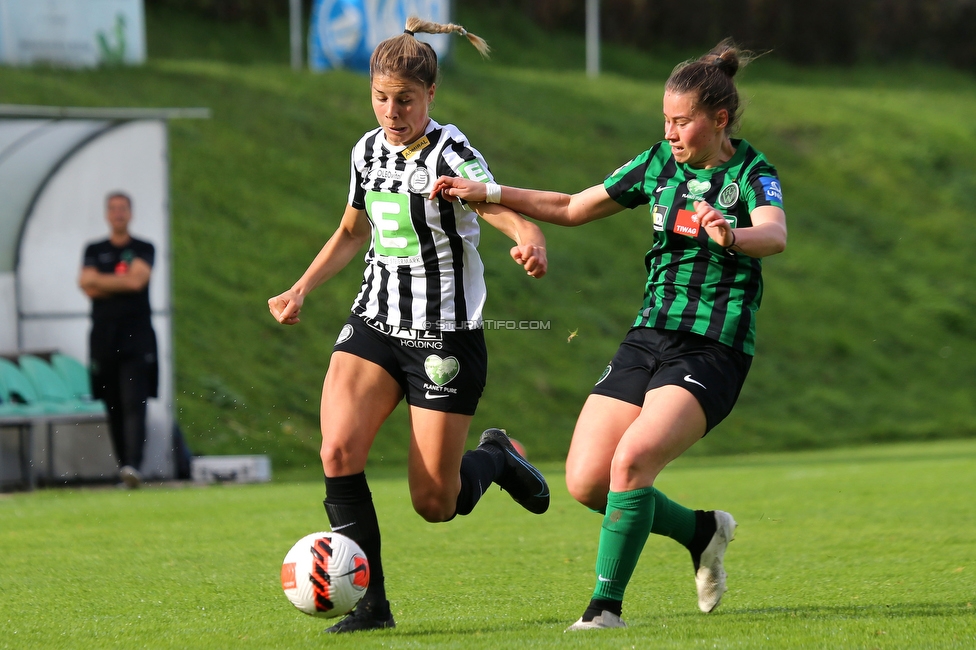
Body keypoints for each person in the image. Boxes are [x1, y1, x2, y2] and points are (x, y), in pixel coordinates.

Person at [432, 39, 787, 630]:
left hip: (713, 347)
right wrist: (488, 193)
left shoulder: (752, 173)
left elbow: (773, 235)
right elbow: (571, 206)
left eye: (682, 121)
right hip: (648, 336)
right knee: (589, 481)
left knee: (633, 463)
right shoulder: (656, 164)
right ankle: (702, 531)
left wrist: (731, 235)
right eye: (665, 120)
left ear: (718, 119)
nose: (670, 131)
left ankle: (605, 610)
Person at [268, 17, 551, 634]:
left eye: (405, 99)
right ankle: (371, 607)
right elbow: (352, 231)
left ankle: (497, 459)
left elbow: (502, 208)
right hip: (375, 321)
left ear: (430, 96)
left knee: (435, 503)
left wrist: (529, 238)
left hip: (443, 337)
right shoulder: (365, 152)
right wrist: (301, 287)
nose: (391, 111)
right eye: (380, 97)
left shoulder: (452, 153)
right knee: (337, 450)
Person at [79, 191, 159, 489]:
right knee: (111, 402)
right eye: (113, 209)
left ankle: (133, 465)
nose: (118, 213)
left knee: (133, 401)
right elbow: (84, 285)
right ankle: (123, 467)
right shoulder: (93, 248)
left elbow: (137, 280)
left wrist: (101, 281)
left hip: (136, 337)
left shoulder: (143, 248)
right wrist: (121, 283)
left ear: (130, 213)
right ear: (106, 214)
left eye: (122, 208)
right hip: (103, 337)